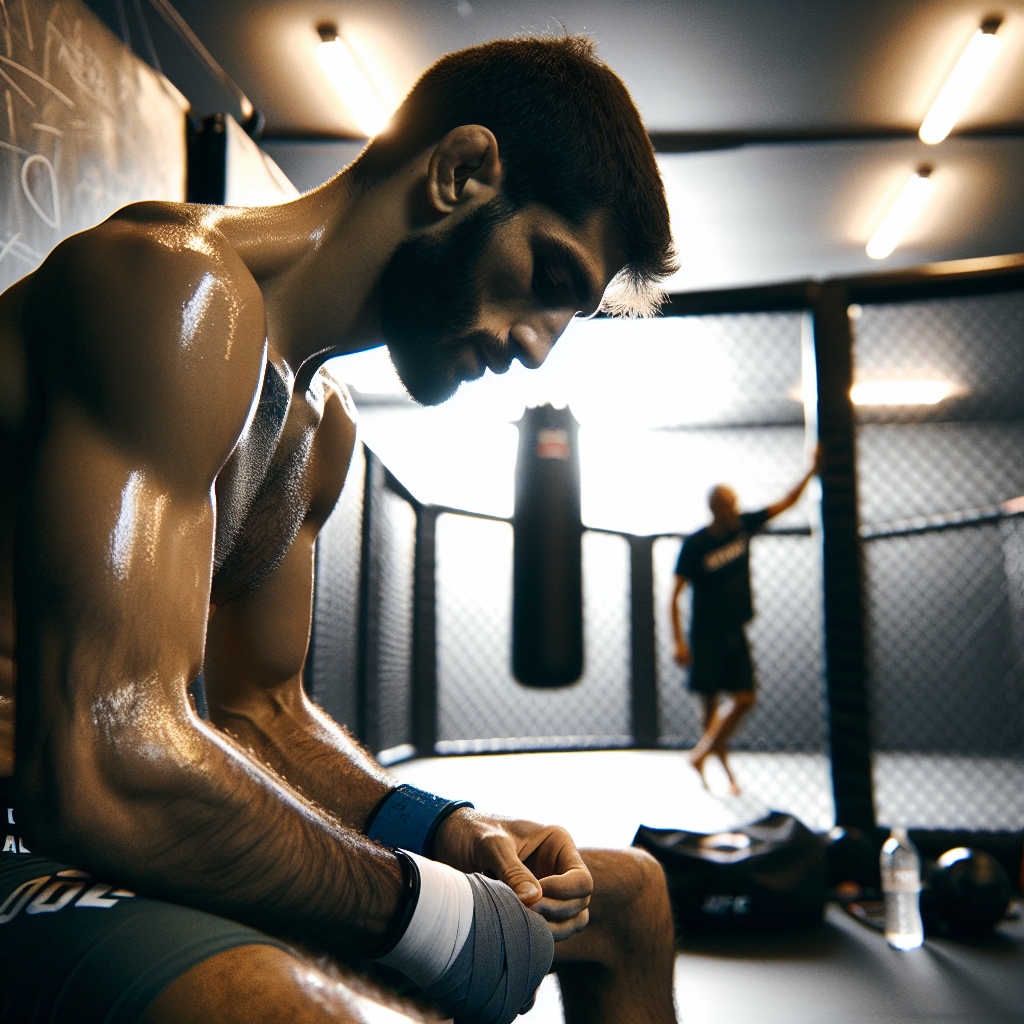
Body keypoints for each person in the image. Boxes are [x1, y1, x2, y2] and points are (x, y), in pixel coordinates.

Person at [0, 34, 680, 1024]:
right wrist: (425, 908)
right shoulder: (176, 287)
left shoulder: (320, 428)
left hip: (70, 818)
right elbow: (105, 763)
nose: (539, 349)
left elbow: (264, 711)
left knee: (631, 898)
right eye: (550, 277)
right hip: (34, 825)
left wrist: (447, 833)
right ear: (459, 174)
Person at [669, 448, 823, 795]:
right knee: (709, 708)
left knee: (745, 698)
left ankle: (702, 756)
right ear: (714, 509)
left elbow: (786, 502)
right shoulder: (695, 546)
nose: (733, 510)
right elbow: (674, 595)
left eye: (735, 504)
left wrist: (811, 469)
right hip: (705, 634)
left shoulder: (743, 526)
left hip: (734, 631)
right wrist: (677, 640)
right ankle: (718, 771)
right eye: (727, 505)